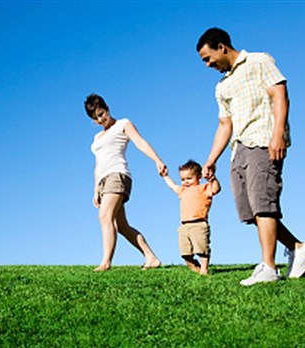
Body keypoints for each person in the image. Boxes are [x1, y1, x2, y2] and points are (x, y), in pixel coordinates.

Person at [196, 28, 305, 285]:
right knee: (250, 210)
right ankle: (297, 247)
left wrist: (278, 135)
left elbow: (279, 95)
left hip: (263, 139)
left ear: (221, 47)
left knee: (263, 201)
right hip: (238, 148)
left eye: (208, 58)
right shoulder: (222, 86)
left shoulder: (259, 60)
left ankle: (268, 267)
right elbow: (224, 125)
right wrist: (211, 159)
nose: (207, 65)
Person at [85, 93, 166, 272]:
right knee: (121, 225)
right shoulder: (97, 138)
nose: (100, 119)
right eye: (95, 118)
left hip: (118, 175)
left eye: (101, 114)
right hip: (103, 180)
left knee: (105, 217)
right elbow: (97, 165)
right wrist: (95, 190)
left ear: (107, 109)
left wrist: (157, 160)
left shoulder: (123, 124)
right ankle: (151, 258)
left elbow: (139, 142)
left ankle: (106, 262)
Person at [162, 160, 220, 275]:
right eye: (183, 179)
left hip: (199, 224)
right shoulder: (182, 191)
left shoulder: (204, 188)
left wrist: (212, 179)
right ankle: (195, 269)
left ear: (198, 177)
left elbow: (216, 189)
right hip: (184, 226)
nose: (185, 182)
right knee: (185, 253)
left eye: (189, 178)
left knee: (201, 249)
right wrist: (165, 176)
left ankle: (204, 270)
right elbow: (172, 186)